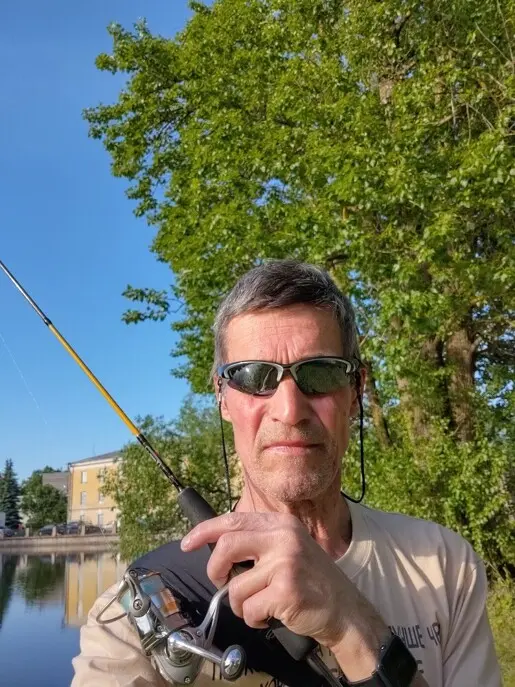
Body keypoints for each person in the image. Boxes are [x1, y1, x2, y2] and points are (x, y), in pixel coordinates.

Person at [72, 260, 501, 686]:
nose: (290, 410)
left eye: (321, 373)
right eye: (253, 376)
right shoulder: (134, 617)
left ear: (356, 391)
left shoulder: (446, 566)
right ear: (222, 397)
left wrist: (350, 624)